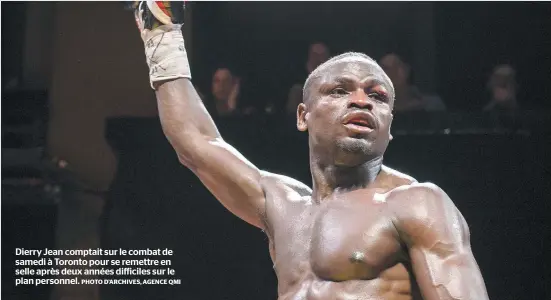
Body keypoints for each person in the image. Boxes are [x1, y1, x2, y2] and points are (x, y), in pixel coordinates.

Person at [133, 2, 489, 299]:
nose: (362, 101)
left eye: (378, 96)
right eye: (340, 91)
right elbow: (195, 143)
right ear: (303, 115)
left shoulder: (418, 203)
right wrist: (161, 35)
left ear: (390, 125)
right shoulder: (284, 206)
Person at [379, 53, 446, 112]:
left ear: (406, 70)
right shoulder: (375, 107)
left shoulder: (432, 105)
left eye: (398, 66)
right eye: (385, 69)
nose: (394, 72)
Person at [286, 42, 330, 115]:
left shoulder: (332, 76)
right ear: (310, 55)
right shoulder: (297, 76)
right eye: (316, 55)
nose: (319, 58)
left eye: (322, 55)